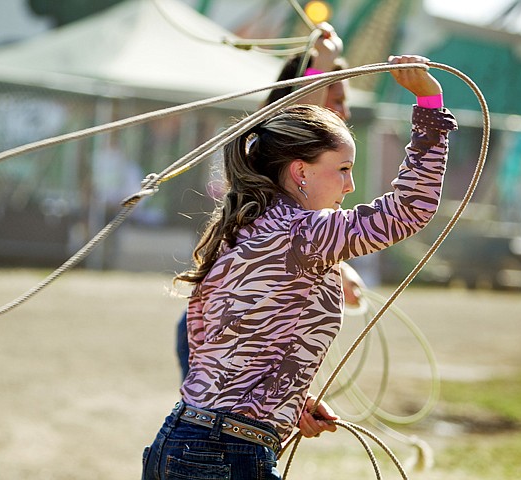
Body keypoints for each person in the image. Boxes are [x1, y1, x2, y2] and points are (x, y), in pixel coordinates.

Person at [142, 54, 457, 479]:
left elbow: (224, 350)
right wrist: (430, 103)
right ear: (300, 172)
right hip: (224, 454)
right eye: (343, 169)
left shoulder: (244, 226)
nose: (350, 185)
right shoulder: (303, 233)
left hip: (183, 444)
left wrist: (288, 403)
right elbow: (407, 210)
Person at [175, 23, 363, 380]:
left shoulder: (304, 181)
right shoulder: (276, 158)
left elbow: (297, 237)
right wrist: (320, 65)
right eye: (336, 100)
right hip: (228, 328)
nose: (345, 112)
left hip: (234, 326)